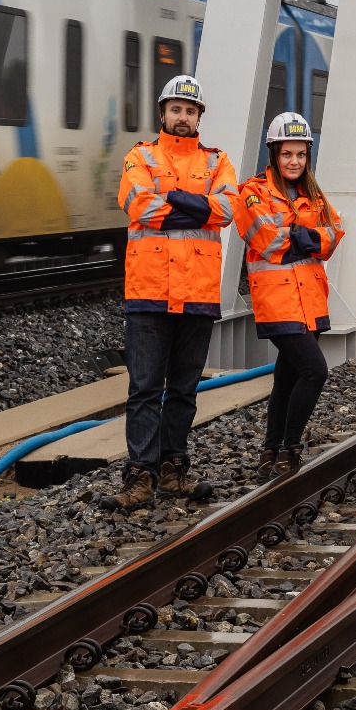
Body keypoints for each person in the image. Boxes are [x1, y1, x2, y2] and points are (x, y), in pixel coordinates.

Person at [108, 74, 239, 511]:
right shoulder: (139, 156)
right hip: (149, 292)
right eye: (176, 109)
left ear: (199, 116)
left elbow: (227, 209)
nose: (183, 117)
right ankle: (140, 475)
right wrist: (196, 203)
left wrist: (170, 198)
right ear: (163, 113)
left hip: (198, 293)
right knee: (144, 388)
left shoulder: (218, 161)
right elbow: (137, 204)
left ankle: (173, 468)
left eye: (190, 110)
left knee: (183, 389)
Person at [232, 111, 343, 481]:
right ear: (273, 154)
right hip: (278, 302)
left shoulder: (313, 194)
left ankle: (270, 448)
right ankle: (291, 447)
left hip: (310, 299)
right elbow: (264, 239)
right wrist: (307, 239)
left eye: (300, 155)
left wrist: (299, 238)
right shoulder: (253, 191)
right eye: (287, 154)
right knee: (315, 371)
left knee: (287, 377)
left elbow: (335, 233)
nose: (294, 161)